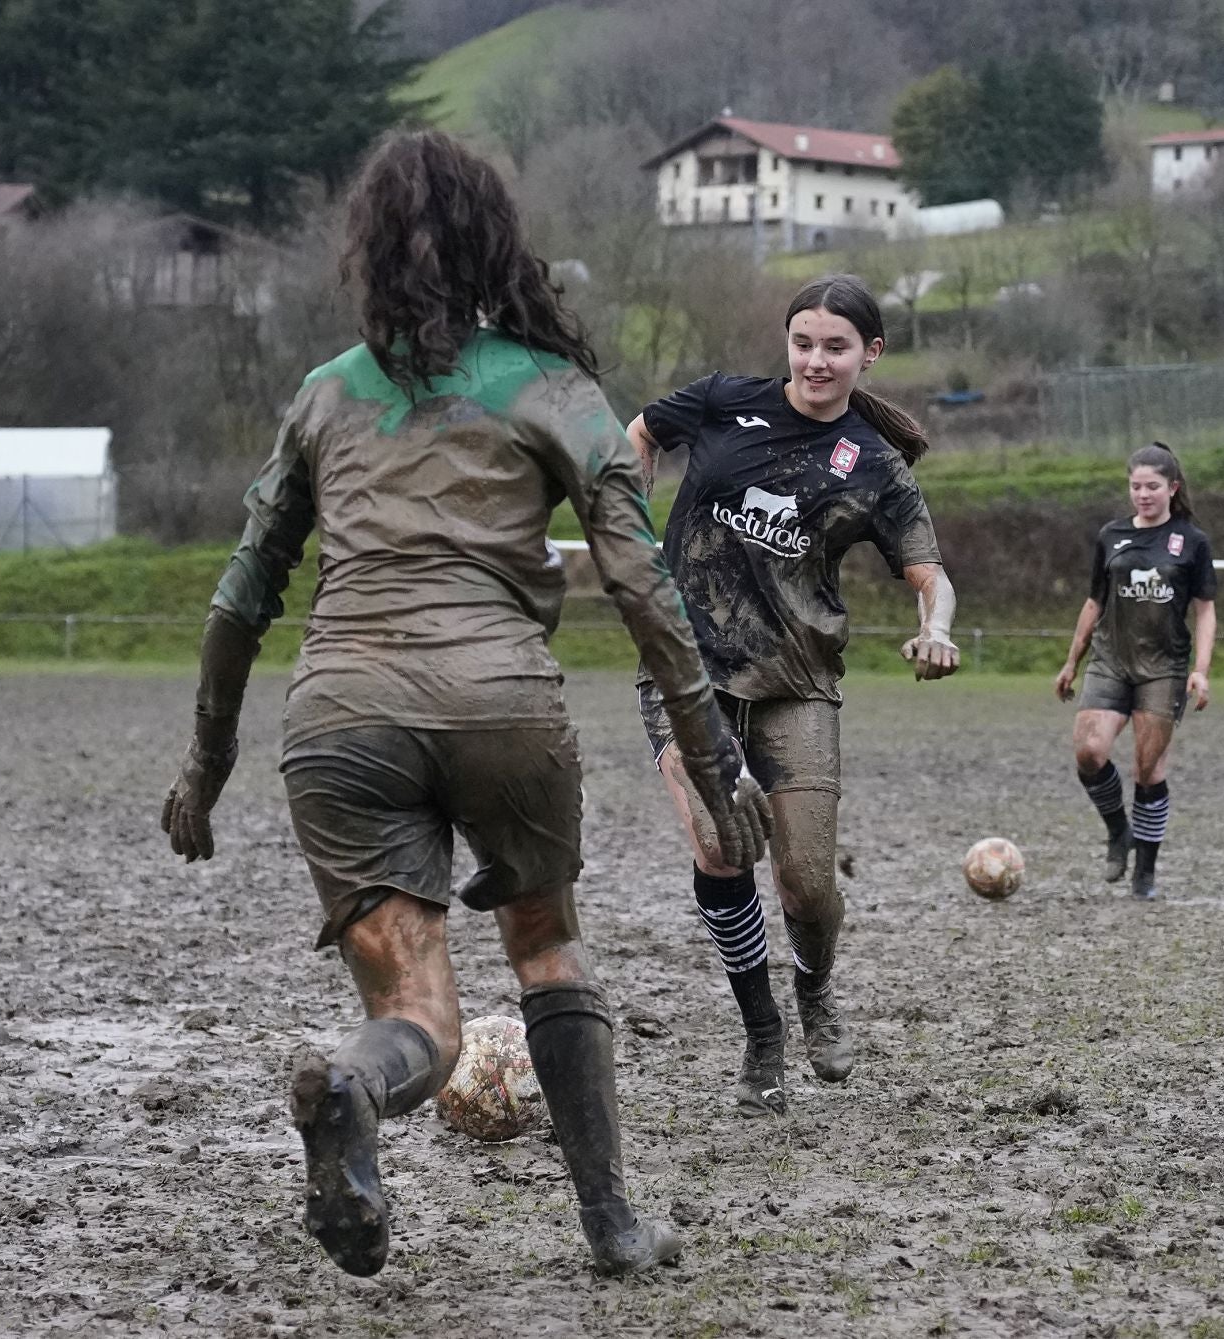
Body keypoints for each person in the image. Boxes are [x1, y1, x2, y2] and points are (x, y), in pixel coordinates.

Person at [157, 129, 771, 1279]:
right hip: (500, 707)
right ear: (498, 242)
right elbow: (645, 582)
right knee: (547, 952)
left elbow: (242, 593)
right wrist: (715, 755)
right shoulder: (553, 387)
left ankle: (354, 1086)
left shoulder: (323, 394)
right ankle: (613, 1227)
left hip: (339, 718)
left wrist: (206, 761)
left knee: (422, 1018)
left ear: (370, 252)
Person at [624, 273, 959, 1118]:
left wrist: (937, 626)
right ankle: (762, 1030)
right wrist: (625, 522)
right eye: (803, 342)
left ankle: (813, 993)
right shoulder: (721, 403)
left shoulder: (875, 466)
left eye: (835, 347)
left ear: (868, 355)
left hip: (796, 684)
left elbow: (931, 574)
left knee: (807, 886)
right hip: (685, 673)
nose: (815, 360)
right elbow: (637, 433)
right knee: (720, 846)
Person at [1053, 443, 1217, 901]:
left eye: (1152, 486)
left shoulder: (1192, 542)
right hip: (1111, 661)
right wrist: (1071, 661)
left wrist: (1200, 671)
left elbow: (1205, 612)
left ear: (1172, 488)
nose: (1142, 494)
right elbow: (1094, 603)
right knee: (1089, 751)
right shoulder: (1112, 536)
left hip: (1163, 670)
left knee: (1148, 769)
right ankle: (1118, 832)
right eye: (1135, 486)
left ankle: (1144, 872)